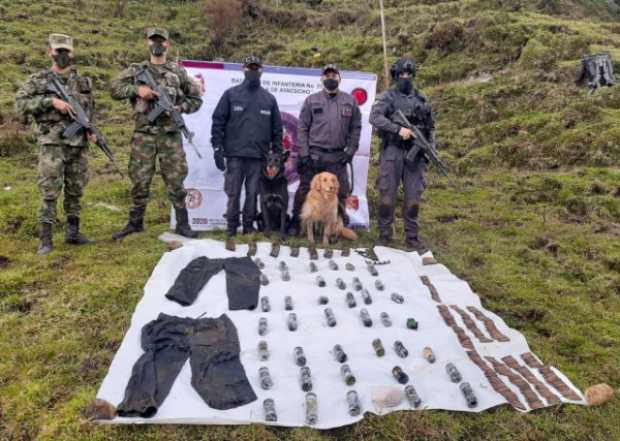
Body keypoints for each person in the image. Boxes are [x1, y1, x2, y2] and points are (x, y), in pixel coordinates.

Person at [110, 27, 202, 240]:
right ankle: (135, 223)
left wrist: (181, 108)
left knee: (176, 180)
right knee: (140, 180)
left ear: (168, 44)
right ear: (147, 43)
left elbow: (196, 100)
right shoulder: (136, 70)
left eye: (161, 41)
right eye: (153, 40)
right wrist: (137, 90)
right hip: (144, 135)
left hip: (170, 136)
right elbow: (114, 88)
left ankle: (182, 225)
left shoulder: (178, 73)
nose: (157, 44)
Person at [16, 33, 97, 255]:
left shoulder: (83, 82)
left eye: (66, 51)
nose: (62, 55)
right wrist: (50, 101)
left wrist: (91, 130)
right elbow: (20, 104)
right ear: (50, 52)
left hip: (78, 144)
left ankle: (73, 233)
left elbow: (89, 110)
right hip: (52, 144)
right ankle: (46, 239)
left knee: (76, 188)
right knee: (50, 189)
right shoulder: (38, 80)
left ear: (73, 53)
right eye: (58, 50)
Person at [211, 55, 283, 236]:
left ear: (261, 70)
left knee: (253, 195)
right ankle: (231, 227)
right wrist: (217, 148)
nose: (253, 71)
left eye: (256, 68)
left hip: (259, 158)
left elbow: (277, 130)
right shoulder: (231, 94)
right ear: (243, 69)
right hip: (234, 156)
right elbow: (218, 121)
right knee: (233, 193)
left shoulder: (269, 99)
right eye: (250, 68)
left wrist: (278, 155)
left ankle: (248, 227)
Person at [369, 57, 436, 251]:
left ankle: (412, 237)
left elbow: (431, 127)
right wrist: (398, 130)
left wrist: (429, 148)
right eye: (401, 75)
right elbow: (375, 117)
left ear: (413, 75)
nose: (405, 77)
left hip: (416, 155)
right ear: (396, 76)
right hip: (393, 150)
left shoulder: (421, 99)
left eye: (408, 74)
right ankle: (385, 234)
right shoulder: (389, 97)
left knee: (414, 197)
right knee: (387, 196)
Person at [288, 64, 362, 237]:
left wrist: (350, 150)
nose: (330, 79)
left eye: (334, 76)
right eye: (327, 76)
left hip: (338, 157)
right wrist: (304, 153)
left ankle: (338, 225)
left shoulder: (350, 101)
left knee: (341, 190)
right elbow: (302, 128)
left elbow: (356, 128)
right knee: (305, 189)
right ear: (322, 79)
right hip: (314, 155)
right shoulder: (312, 100)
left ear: (339, 79)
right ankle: (296, 223)